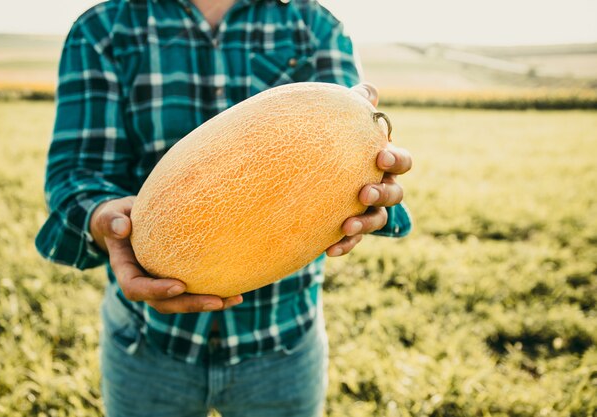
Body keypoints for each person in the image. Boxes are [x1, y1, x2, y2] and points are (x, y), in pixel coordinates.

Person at [36, 0, 412, 416]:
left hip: (283, 344)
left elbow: (356, 157)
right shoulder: (104, 28)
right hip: (145, 343)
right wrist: (103, 217)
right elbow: (76, 171)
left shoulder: (313, 24)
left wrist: (377, 192)